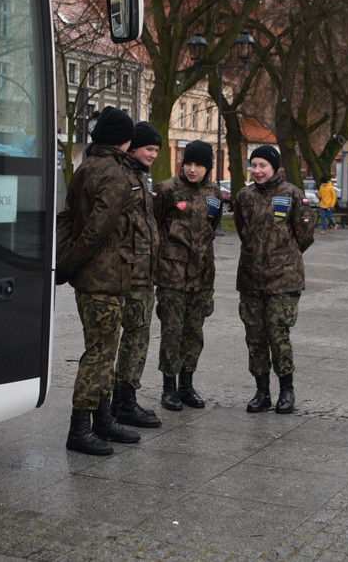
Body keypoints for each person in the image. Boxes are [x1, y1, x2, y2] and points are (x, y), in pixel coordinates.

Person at [56, 106, 142, 455]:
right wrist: (67, 265)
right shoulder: (115, 175)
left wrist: (64, 258)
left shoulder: (85, 167)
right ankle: (80, 427)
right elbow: (94, 231)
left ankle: (102, 419)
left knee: (104, 349)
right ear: (124, 140)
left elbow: (67, 218)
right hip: (103, 276)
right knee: (99, 353)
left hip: (95, 275)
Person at [232, 145, 314, 414]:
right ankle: (262, 391)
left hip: (283, 280)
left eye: (262, 166)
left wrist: (281, 259)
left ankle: (286, 390)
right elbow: (243, 232)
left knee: (278, 337)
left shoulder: (292, 194)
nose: (257, 171)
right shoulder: (244, 196)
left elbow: (304, 236)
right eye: (253, 165)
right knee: (254, 338)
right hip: (251, 279)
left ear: (274, 167)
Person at [152, 140, 223, 411]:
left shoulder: (215, 194)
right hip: (172, 275)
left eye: (198, 165)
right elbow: (155, 227)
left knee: (194, 333)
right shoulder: (167, 189)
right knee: (172, 332)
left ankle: (187, 385)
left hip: (202, 276)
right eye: (188, 163)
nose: (192, 169)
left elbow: (212, 227)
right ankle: (168, 388)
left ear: (207, 167)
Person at [111, 121, 162, 428]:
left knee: (138, 337)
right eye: (149, 148)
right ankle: (122, 402)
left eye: (157, 149)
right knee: (133, 338)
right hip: (129, 273)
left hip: (144, 273)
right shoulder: (124, 176)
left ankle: (124, 399)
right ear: (132, 146)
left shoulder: (140, 177)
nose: (153, 154)